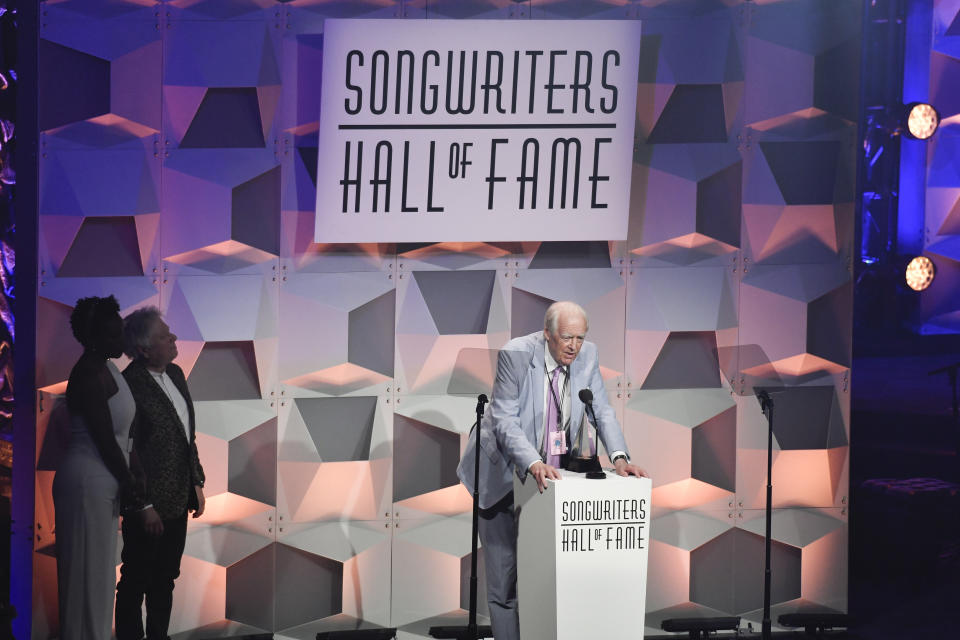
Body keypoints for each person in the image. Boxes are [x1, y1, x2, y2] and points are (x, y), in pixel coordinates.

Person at [457, 301, 647, 640]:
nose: (574, 346)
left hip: (548, 485)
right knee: (505, 582)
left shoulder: (588, 355)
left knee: (546, 579)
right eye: (566, 337)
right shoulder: (516, 354)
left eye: (580, 337)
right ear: (547, 334)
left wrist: (618, 456)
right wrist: (532, 461)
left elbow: (600, 409)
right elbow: (504, 420)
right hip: (500, 473)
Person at [115, 308, 205, 640]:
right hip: (149, 504)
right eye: (164, 336)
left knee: (165, 577)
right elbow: (128, 449)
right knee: (136, 578)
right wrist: (142, 505)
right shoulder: (129, 385)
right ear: (144, 348)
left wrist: (196, 481)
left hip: (179, 497)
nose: (173, 338)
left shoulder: (177, 374)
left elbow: (186, 435)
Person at [54, 295, 138, 640]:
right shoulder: (88, 373)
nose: (121, 341)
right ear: (95, 338)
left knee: (99, 576)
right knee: (87, 580)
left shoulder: (108, 367)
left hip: (101, 482)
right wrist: (131, 483)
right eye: (114, 335)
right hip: (87, 481)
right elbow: (104, 438)